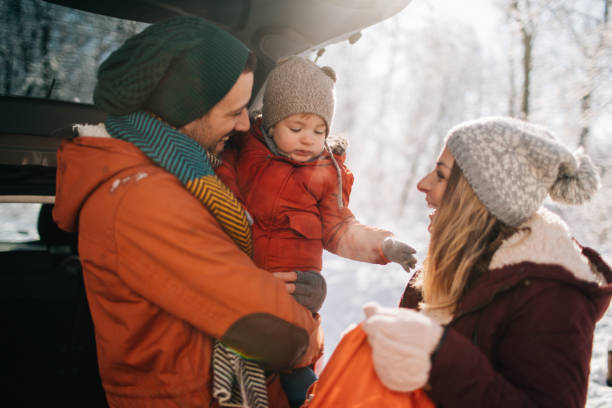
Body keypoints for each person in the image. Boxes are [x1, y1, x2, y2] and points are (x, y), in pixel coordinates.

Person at [52, 16, 323, 408]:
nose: (246, 124)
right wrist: (310, 335)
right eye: (233, 112)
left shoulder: (179, 173)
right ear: (183, 111)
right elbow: (263, 322)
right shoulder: (142, 199)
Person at [359, 116, 612, 407]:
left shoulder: (552, 297)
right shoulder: (435, 274)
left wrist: (441, 354)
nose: (422, 183)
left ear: (481, 198)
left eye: (441, 175)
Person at [215, 55, 418, 407]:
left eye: (319, 131)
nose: (309, 139)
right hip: (247, 282)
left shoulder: (326, 173)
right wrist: (232, 210)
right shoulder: (245, 150)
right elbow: (221, 178)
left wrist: (383, 245)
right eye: (297, 128)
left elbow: (340, 228)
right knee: (241, 353)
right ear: (271, 123)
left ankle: (311, 397)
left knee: (293, 357)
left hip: (299, 287)